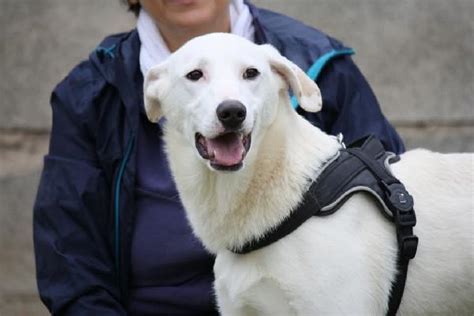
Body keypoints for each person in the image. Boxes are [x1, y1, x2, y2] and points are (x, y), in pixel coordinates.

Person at [33, 0, 405, 314]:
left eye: (249, 76)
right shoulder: (90, 94)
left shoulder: (318, 63)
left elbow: (390, 214)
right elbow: (70, 262)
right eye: (195, 76)